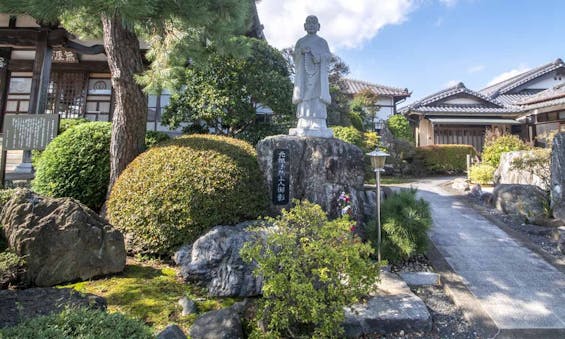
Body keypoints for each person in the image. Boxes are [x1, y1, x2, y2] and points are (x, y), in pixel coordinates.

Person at [289, 15, 333, 138]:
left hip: (318, 77)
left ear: (319, 26)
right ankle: (303, 122)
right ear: (304, 26)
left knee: (317, 98)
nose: (312, 26)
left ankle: (319, 123)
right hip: (304, 77)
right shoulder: (300, 42)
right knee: (304, 98)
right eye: (309, 23)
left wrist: (319, 57)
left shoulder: (322, 42)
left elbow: (327, 57)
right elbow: (295, 57)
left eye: (314, 24)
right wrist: (301, 53)